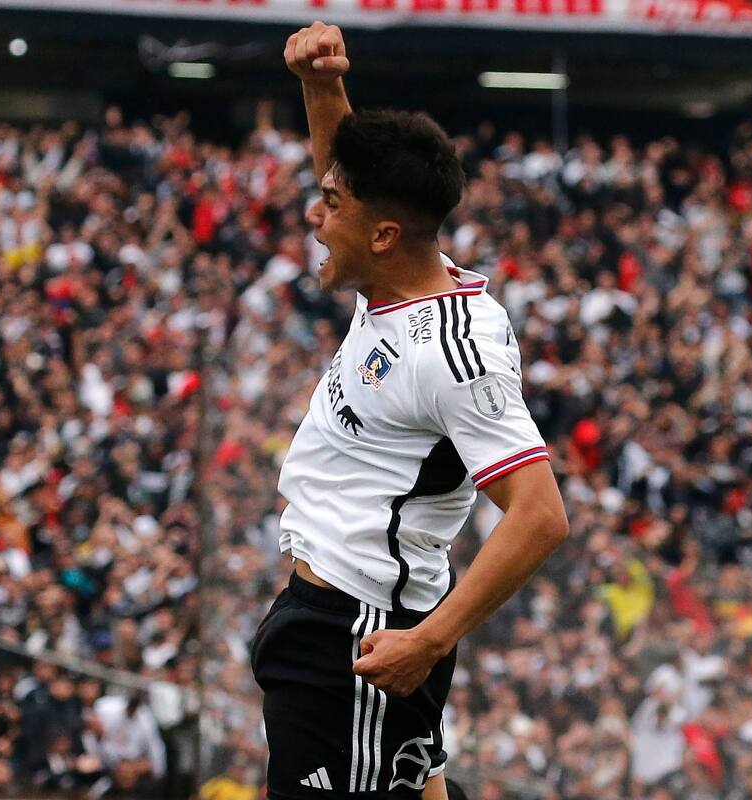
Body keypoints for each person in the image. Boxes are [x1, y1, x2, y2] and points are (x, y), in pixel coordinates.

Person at [250, 21, 569, 800]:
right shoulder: (393, 280)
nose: (315, 218)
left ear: (384, 234)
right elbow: (352, 177)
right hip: (326, 615)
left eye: (330, 205)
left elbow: (539, 515)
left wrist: (427, 642)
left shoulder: (451, 353)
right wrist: (321, 86)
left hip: (362, 633)